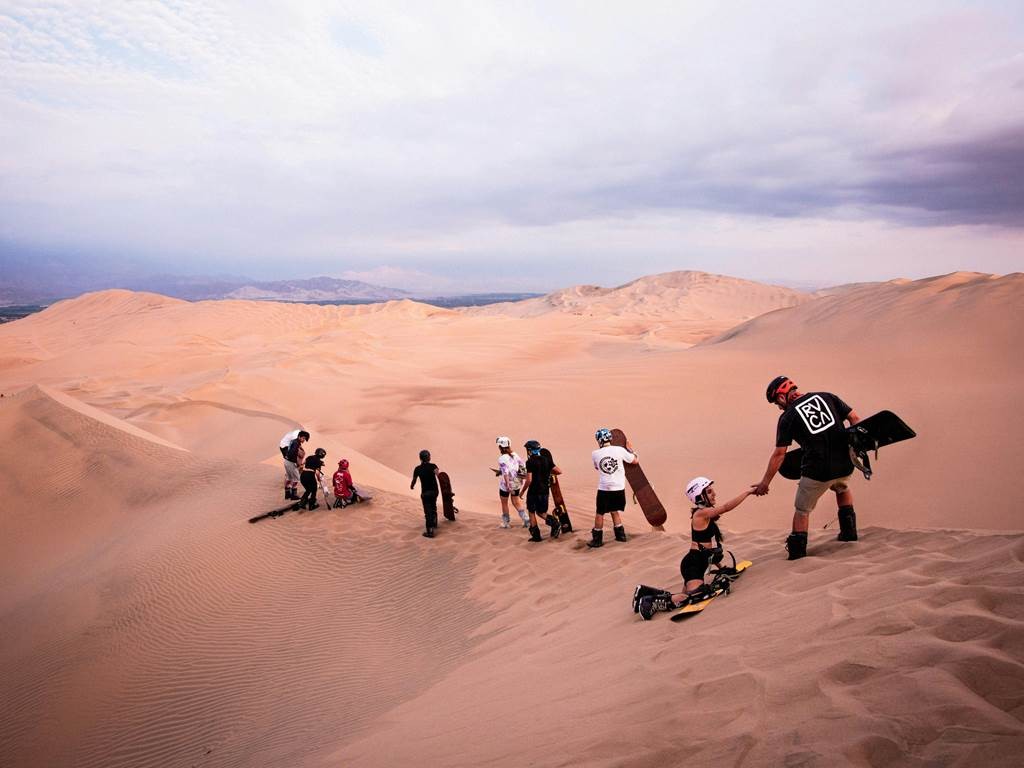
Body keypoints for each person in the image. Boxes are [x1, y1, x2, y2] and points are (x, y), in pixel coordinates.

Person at [754, 376, 861, 560]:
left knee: (802, 509)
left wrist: (765, 483)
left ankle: (797, 552)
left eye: (776, 403)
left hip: (817, 471)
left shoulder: (787, 417)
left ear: (781, 397)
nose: (779, 407)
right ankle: (849, 533)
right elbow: (854, 418)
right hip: (845, 464)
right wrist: (856, 446)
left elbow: (780, 454)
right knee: (842, 487)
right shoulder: (827, 396)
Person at [634, 477, 756, 620]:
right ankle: (650, 601)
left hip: (697, 563)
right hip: (693, 564)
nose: (714, 494)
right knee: (696, 596)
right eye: (709, 492)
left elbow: (708, 551)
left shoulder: (705, 515)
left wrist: (721, 567)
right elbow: (726, 508)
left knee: (685, 597)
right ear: (699, 496)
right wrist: (748, 492)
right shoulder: (700, 514)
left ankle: (645, 592)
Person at [588, 428, 638, 548]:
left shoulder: (595, 454)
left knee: (600, 513)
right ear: (610, 438)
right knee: (614, 511)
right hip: (619, 488)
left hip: (604, 488)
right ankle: (620, 536)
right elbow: (635, 461)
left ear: (599, 440)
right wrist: (631, 450)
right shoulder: (620, 450)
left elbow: (597, 467)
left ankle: (597, 540)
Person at [519, 439, 563, 542]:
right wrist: (548, 473)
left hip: (534, 491)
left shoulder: (529, 462)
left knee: (531, 512)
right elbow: (559, 471)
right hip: (545, 490)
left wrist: (522, 492)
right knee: (542, 512)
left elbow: (529, 479)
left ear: (529, 450)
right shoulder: (546, 460)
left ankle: (536, 536)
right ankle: (555, 523)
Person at [494, 436, 529, 529]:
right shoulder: (515, 454)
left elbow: (505, 472)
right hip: (517, 482)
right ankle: (526, 520)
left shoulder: (501, 458)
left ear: (501, 447)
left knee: (504, 503)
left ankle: (506, 523)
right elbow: (522, 466)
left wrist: (508, 485)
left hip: (506, 485)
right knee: (516, 502)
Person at [411, 449, 440, 538]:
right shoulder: (433, 466)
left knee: (428, 511)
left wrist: (412, 486)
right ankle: (434, 523)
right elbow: (439, 475)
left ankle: (430, 531)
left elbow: (414, 480)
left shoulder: (417, 469)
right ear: (428, 458)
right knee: (433, 506)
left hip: (425, 493)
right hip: (435, 491)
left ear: (420, 458)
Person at [281, 430, 310, 501]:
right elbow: (292, 452)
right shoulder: (296, 443)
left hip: (287, 461)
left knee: (289, 477)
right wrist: (294, 461)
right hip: (290, 462)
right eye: (303, 438)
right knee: (297, 478)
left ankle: (287, 494)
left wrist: (287, 456)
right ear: (299, 436)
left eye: (305, 439)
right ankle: (293, 495)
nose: (304, 440)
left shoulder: (293, 441)